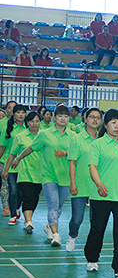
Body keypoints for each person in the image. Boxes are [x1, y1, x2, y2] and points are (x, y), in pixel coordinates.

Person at [85, 109, 118, 278]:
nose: (117, 126)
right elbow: (93, 167)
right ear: (105, 125)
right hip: (102, 195)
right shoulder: (97, 144)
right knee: (97, 229)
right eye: (113, 122)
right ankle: (92, 258)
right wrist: (99, 184)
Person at [14, 105, 72, 247]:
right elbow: (31, 148)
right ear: (54, 117)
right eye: (60, 116)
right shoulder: (44, 134)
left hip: (65, 176)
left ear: (69, 118)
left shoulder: (73, 136)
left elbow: (77, 153)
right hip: (48, 176)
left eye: (66, 116)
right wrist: (18, 158)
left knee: (59, 207)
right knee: (53, 204)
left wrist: (65, 153)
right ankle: (56, 235)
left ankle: (49, 227)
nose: (63, 118)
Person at [66, 108, 102, 252]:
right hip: (80, 184)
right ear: (85, 119)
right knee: (77, 218)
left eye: (98, 117)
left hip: (98, 186)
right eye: (92, 117)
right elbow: (72, 163)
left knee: (96, 221)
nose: (95, 120)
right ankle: (72, 236)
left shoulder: (103, 139)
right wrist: (72, 183)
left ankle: (92, 248)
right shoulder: (76, 139)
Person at [5, 111, 41, 233]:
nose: (34, 124)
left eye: (37, 121)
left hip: (40, 173)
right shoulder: (20, 136)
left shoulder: (44, 136)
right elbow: (12, 154)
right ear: (27, 123)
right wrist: (6, 170)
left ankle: (27, 218)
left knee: (35, 198)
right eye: (32, 121)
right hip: (25, 173)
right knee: (27, 196)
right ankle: (29, 222)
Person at [0, 104, 27, 224]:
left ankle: (16, 207)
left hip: (24, 164)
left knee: (21, 192)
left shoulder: (28, 128)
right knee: (13, 189)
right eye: (18, 112)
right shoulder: (9, 128)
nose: (21, 115)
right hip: (9, 163)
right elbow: (3, 146)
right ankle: (12, 215)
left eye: (23, 112)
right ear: (14, 114)